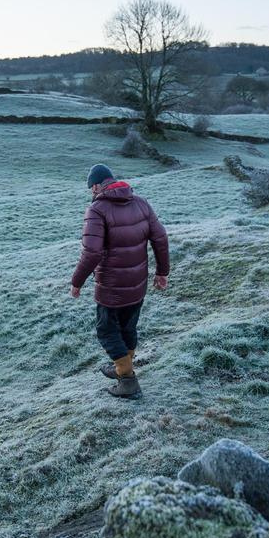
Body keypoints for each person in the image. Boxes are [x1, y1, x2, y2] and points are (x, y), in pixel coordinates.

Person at [70, 163, 169, 399]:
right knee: (127, 327)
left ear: (95, 185)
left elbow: (92, 252)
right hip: (138, 283)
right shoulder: (141, 203)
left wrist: (77, 282)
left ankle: (127, 380)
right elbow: (161, 238)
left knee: (106, 329)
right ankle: (122, 368)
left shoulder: (97, 210)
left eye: (90, 188)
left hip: (111, 286)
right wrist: (162, 272)